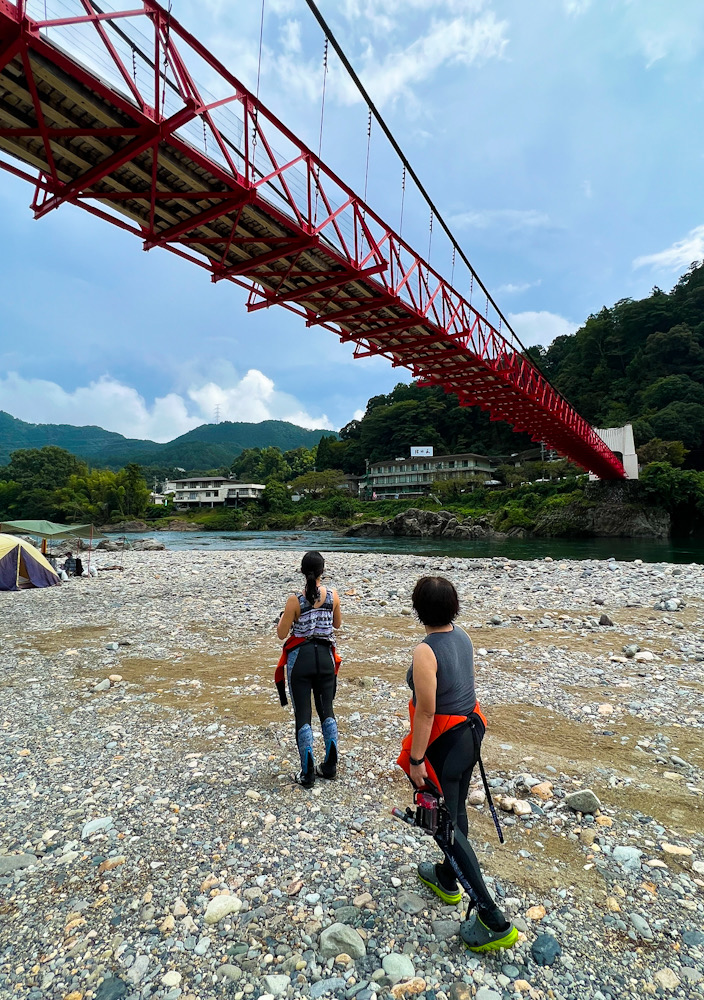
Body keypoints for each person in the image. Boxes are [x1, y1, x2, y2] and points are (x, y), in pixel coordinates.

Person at [398, 575, 517, 952]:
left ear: (418, 609)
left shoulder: (424, 651)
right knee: (456, 806)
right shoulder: (462, 636)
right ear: (454, 607)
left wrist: (416, 760)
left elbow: (427, 710)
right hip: (471, 732)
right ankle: (448, 877)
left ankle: (492, 918)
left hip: (445, 741)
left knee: (443, 822)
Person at [276, 551, 342, 787]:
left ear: (303, 571)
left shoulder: (295, 600)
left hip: (300, 660)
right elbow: (337, 624)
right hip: (325, 658)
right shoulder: (333, 596)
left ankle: (307, 773)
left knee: (303, 715)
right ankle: (330, 765)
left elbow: (282, 633)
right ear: (322, 571)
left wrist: (286, 616)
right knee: (327, 710)